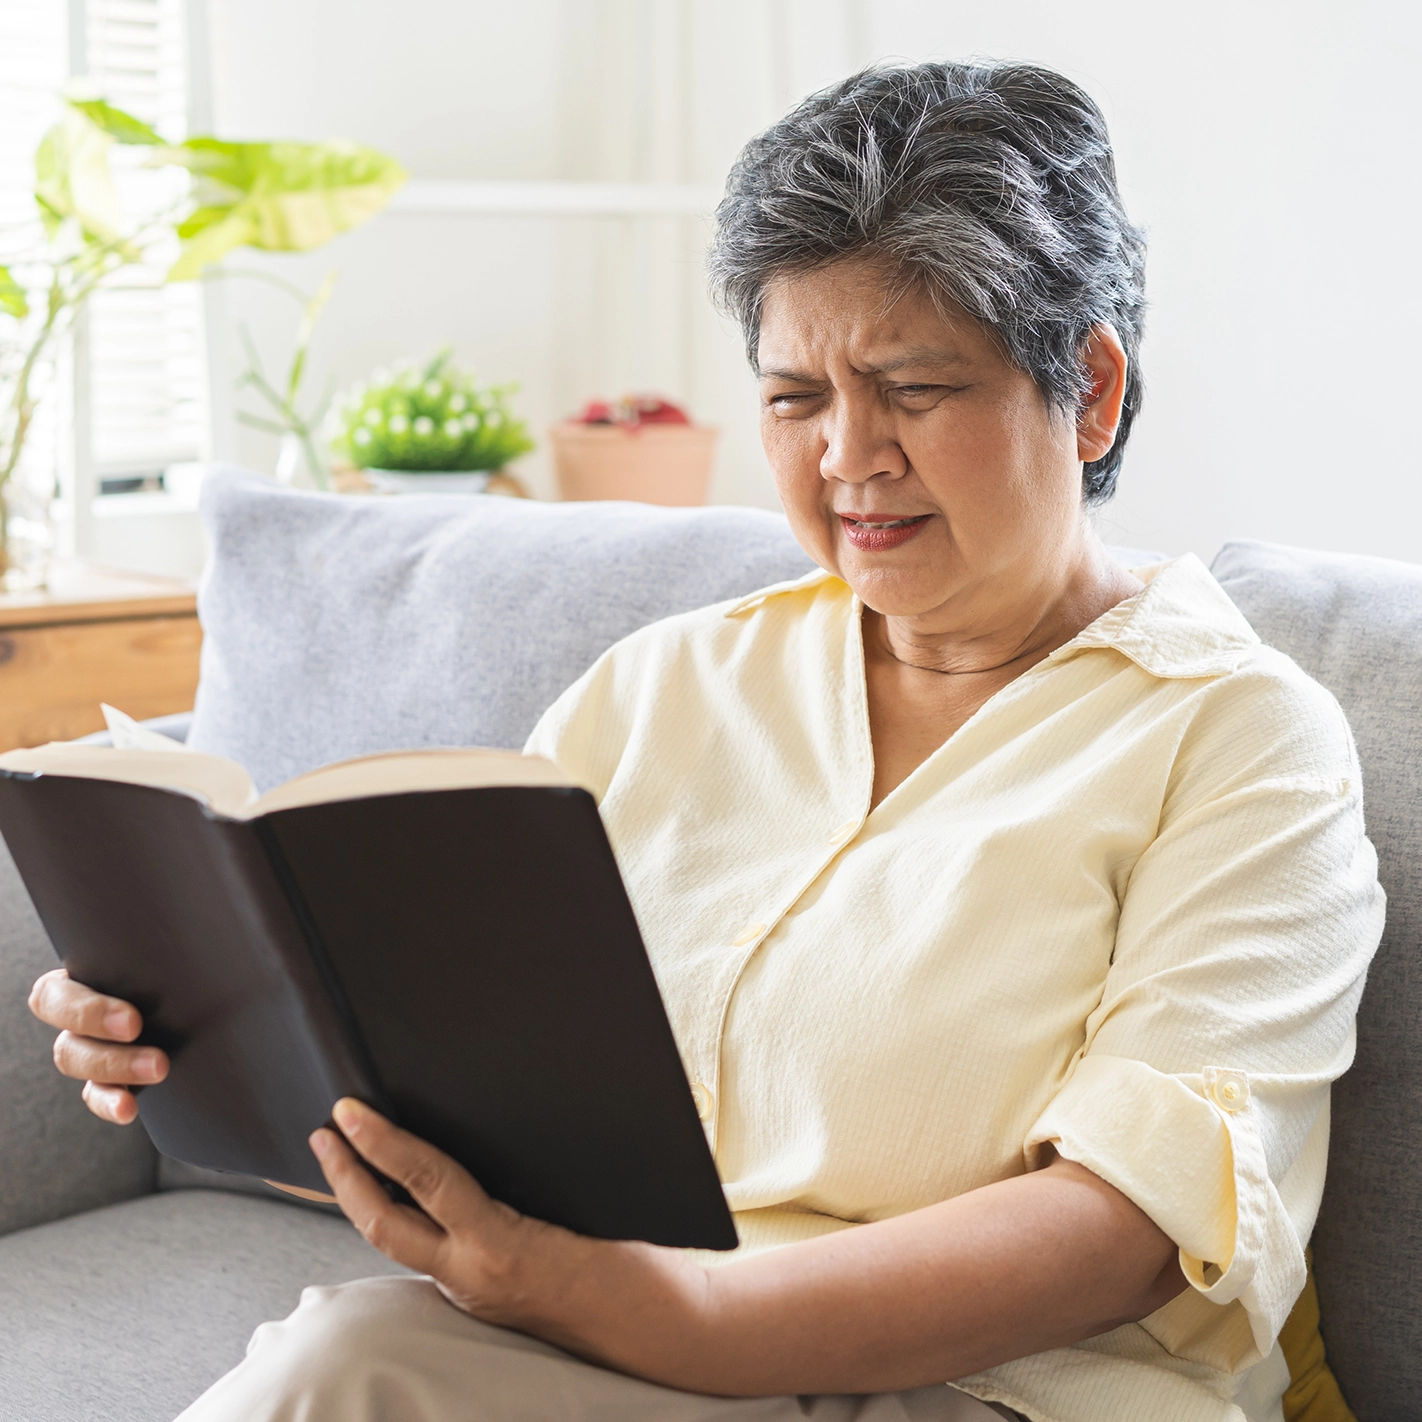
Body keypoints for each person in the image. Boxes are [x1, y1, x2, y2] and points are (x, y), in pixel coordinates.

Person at [28, 61, 1383, 1422]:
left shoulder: (1243, 740)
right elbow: (465, 1098)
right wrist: (222, 1042)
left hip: (994, 1391)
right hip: (602, 1350)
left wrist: (643, 1307)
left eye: (911, 387)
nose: (848, 454)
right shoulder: (664, 687)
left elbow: (1123, 1227)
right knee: (348, 1354)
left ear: (1086, 389)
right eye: (795, 398)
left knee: (352, 1369)